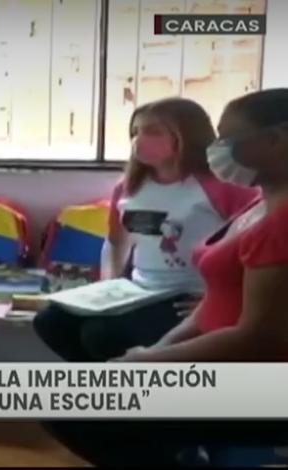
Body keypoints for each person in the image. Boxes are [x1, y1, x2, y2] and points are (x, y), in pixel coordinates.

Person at [44, 88, 288, 467]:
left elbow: (258, 339)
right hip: (204, 341)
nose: (217, 148)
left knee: (74, 408)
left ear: (274, 141)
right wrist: (154, 353)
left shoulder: (276, 222)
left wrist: (152, 364)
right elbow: (217, 296)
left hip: (259, 382)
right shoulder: (260, 203)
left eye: (229, 138)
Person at [33, 97, 258, 362]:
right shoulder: (129, 187)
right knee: (50, 322)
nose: (139, 140)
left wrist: (223, 299)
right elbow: (116, 242)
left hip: (188, 295)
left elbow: (252, 246)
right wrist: (108, 285)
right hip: (138, 290)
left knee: (101, 335)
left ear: (186, 134)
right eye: (135, 131)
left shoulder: (222, 186)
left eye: (153, 131)